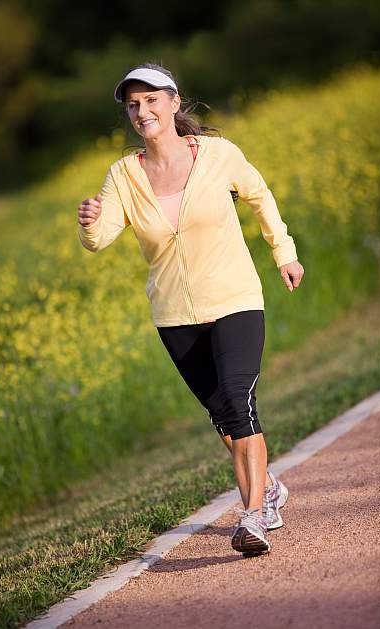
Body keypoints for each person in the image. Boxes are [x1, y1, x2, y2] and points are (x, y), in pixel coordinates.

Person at [77, 62, 304, 557]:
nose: (142, 111)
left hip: (235, 299)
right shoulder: (123, 175)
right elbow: (100, 239)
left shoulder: (219, 155)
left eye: (152, 100)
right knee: (223, 414)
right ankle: (266, 488)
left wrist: (283, 251)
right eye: (133, 105)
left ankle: (252, 517)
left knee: (239, 402)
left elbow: (260, 196)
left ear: (174, 103)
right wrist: (90, 221)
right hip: (174, 314)